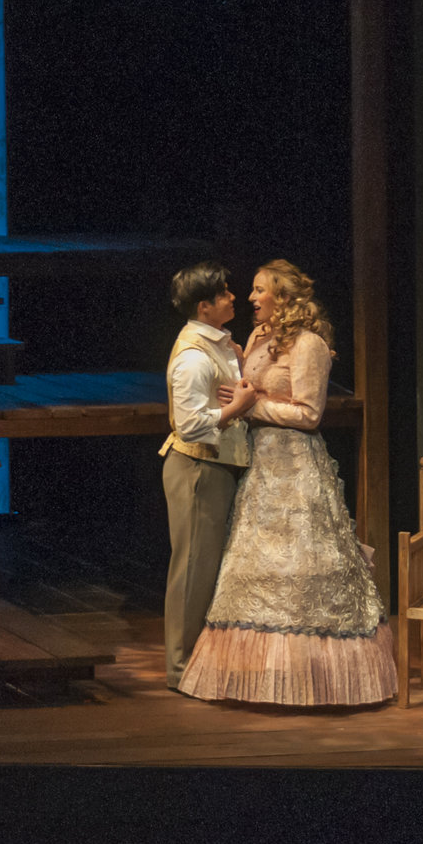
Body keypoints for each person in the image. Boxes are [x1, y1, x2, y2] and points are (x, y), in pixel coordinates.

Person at [179, 259, 396, 706]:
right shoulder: (258, 338)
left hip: (296, 469)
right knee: (252, 569)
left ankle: (312, 678)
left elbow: (310, 414)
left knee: (302, 568)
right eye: (253, 290)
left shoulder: (309, 344)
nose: (251, 298)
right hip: (259, 467)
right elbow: (241, 386)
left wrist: (250, 405)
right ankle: (255, 676)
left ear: (284, 297)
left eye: (260, 290)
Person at [159, 261, 250, 693]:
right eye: (225, 293)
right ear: (204, 306)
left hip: (215, 466)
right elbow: (189, 424)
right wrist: (239, 407)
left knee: (205, 568)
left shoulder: (218, 344)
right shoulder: (193, 357)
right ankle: (180, 669)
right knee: (192, 568)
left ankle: (196, 662)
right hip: (197, 467)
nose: (233, 298)